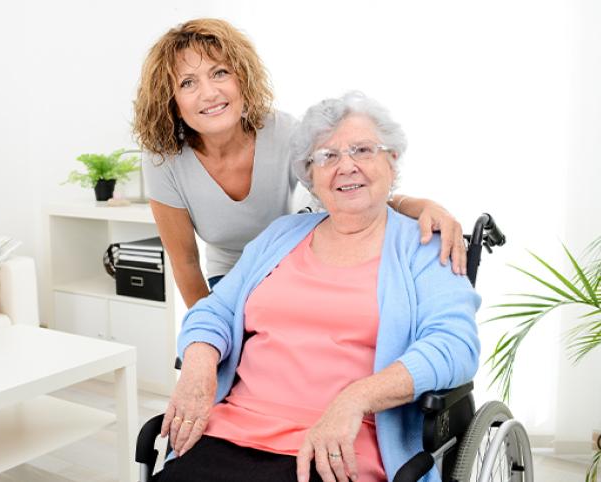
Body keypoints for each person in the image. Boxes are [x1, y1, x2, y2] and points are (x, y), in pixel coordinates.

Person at [153, 92, 480, 482]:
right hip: (232, 431)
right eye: (327, 156)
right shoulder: (282, 235)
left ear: (391, 162)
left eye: (362, 149)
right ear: (310, 176)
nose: (346, 166)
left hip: (340, 445)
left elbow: (455, 345)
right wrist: (199, 363)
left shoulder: (425, 245)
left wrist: (356, 398)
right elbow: (216, 309)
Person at [133, 18, 467, 309]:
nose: (209, 93)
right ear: (172, 102)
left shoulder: (282, 132)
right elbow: (186, 262)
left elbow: (345, 188)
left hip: (293, 263)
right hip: (231, 276)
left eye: (220, 73)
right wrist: (210, 338)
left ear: (242, 81)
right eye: (187, 83)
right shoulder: (165, 162)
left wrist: (419, 205)